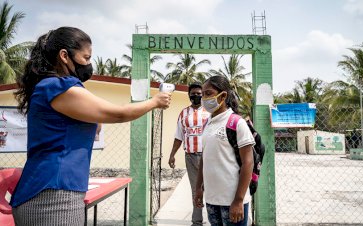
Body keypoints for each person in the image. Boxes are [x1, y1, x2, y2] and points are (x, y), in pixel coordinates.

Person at [11, 27, 171, 226]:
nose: (88, 64)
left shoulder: (52, 87)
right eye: (86, 57)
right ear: (64, 55)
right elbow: (118, 113)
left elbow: (93, 127)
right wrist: (155, 102)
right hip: (52, 194)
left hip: (55, 189)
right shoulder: (57, 87)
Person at [194, 76, 254, 226]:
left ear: (223, 95)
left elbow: (248, 162)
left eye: (209, 93)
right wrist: (198, 188)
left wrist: (239, 200)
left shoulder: (236, 123)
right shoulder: (208, 123)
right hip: (212, 199)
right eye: (203, 95)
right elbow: (205, 157)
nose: (204, 99)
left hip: (233, 201)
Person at [168, 82, 210, 226]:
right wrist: (172, 154)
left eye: (199, 94)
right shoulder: (183, 113)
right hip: (191, 157)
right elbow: (179, 136)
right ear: (189, 95)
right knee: (196, 190)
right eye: (193, 94)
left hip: (208, 157)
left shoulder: (209, 112)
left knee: (211, 189)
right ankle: (197, 222)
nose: (196, 96)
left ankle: (215, 220)